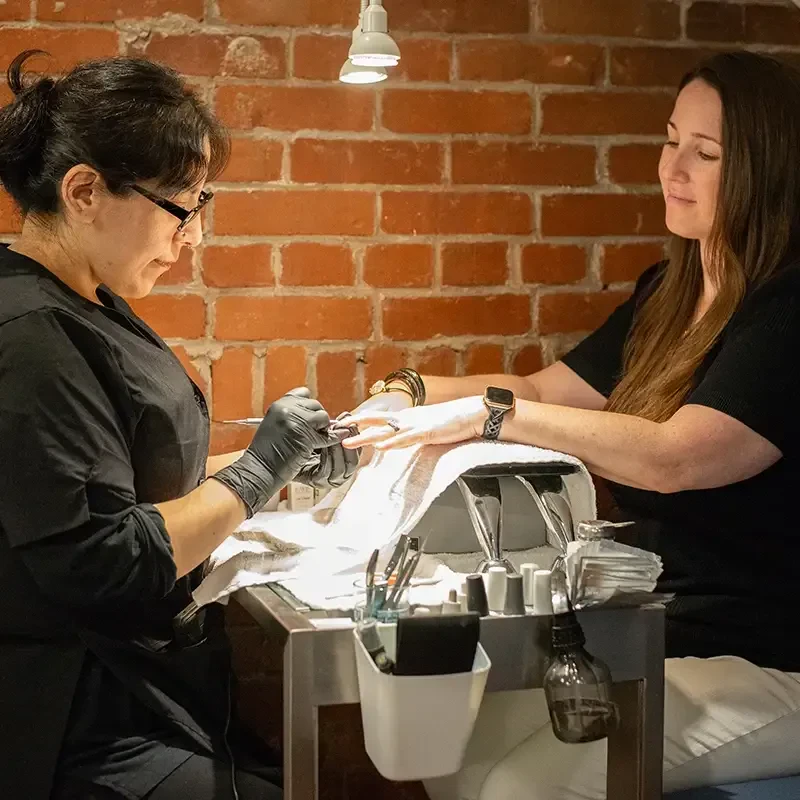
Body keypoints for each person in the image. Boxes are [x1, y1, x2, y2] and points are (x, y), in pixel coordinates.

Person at [343, 51, 800, 798]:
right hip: (660, 639)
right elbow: (534, 387)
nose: (671, 168)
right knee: (451, 748)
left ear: (768, 170)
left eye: (706, 154)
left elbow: (672, 459)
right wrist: (410, 390)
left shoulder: (786, 310)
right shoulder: (669, 293)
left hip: (771, 660)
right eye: (669, 139)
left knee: (519, 788)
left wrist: (492, 418)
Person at [0, 51, 358, 800]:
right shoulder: (28, 333)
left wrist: (278, 465)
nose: (192, 237)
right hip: (77, 716)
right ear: (85, 190)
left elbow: (132, 473)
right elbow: (103, 561)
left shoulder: (86, 298)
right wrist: (256, 473)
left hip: (147, 686)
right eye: (182, 206)